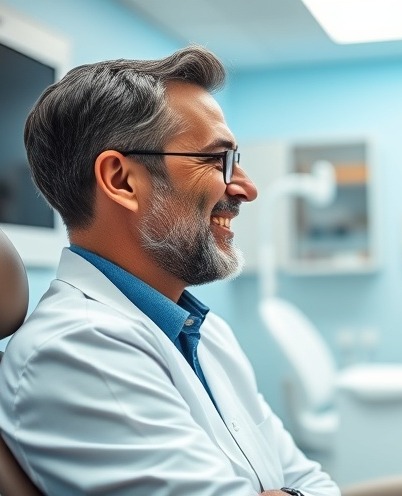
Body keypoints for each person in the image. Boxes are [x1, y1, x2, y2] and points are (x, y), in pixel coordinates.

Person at [0, 46, 339, 496]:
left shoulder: (204, 333)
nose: (246, 188)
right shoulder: (77, 350)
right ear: (122, 181)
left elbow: (311, 480)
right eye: (219, 161)